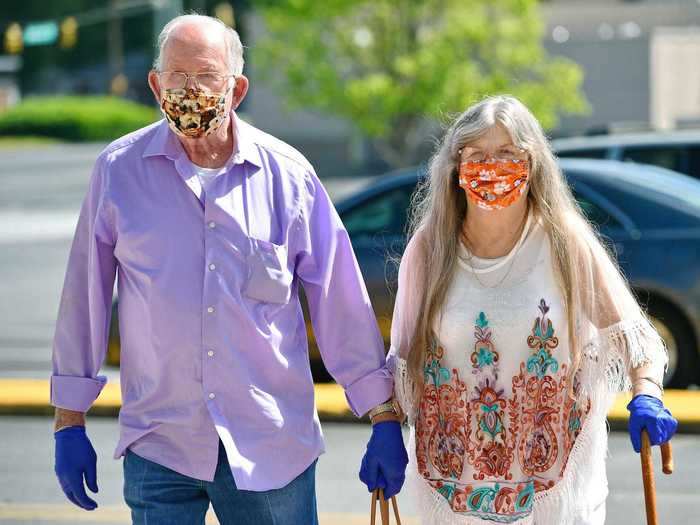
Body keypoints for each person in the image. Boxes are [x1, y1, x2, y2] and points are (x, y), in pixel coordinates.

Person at [50, 14, 407, 525]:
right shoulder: (117, 172)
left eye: (206, 77)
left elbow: (339, 300)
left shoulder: (288, 176)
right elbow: (83, 298)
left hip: (270, 445)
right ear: (155, 84)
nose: (189, 91)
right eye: (175, 78)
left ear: (236, 88)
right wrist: (69, 420)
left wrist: (382, 414)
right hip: (160, 442)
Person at [386, 95, 677, 524]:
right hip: (454, 496)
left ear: (532, 162)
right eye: (478, 154)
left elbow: (636, 338)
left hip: (556, 498)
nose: (492, 165)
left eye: (507, 153)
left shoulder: (564, 243)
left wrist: (647, 393)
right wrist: (386, 426)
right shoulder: (430, 250)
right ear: (455, 167)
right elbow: (403, 361)